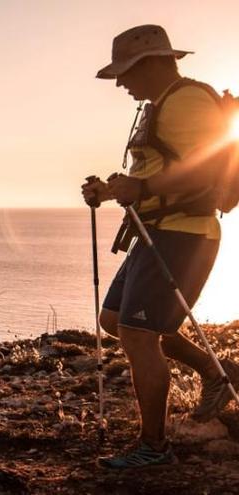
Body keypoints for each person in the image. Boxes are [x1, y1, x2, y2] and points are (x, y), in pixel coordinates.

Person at [82, 24, 239, 469]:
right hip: (159, 232)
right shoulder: (160, 105)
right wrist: (111, 189)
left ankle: (153, 447)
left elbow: (202, 171)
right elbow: (153, 172)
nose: (121, 83)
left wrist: (140, 185)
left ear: (150, 63)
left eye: (125, 73)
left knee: (139, 333)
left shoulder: (187, 101)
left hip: (182, 234)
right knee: (115, 320)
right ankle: (215, 373)